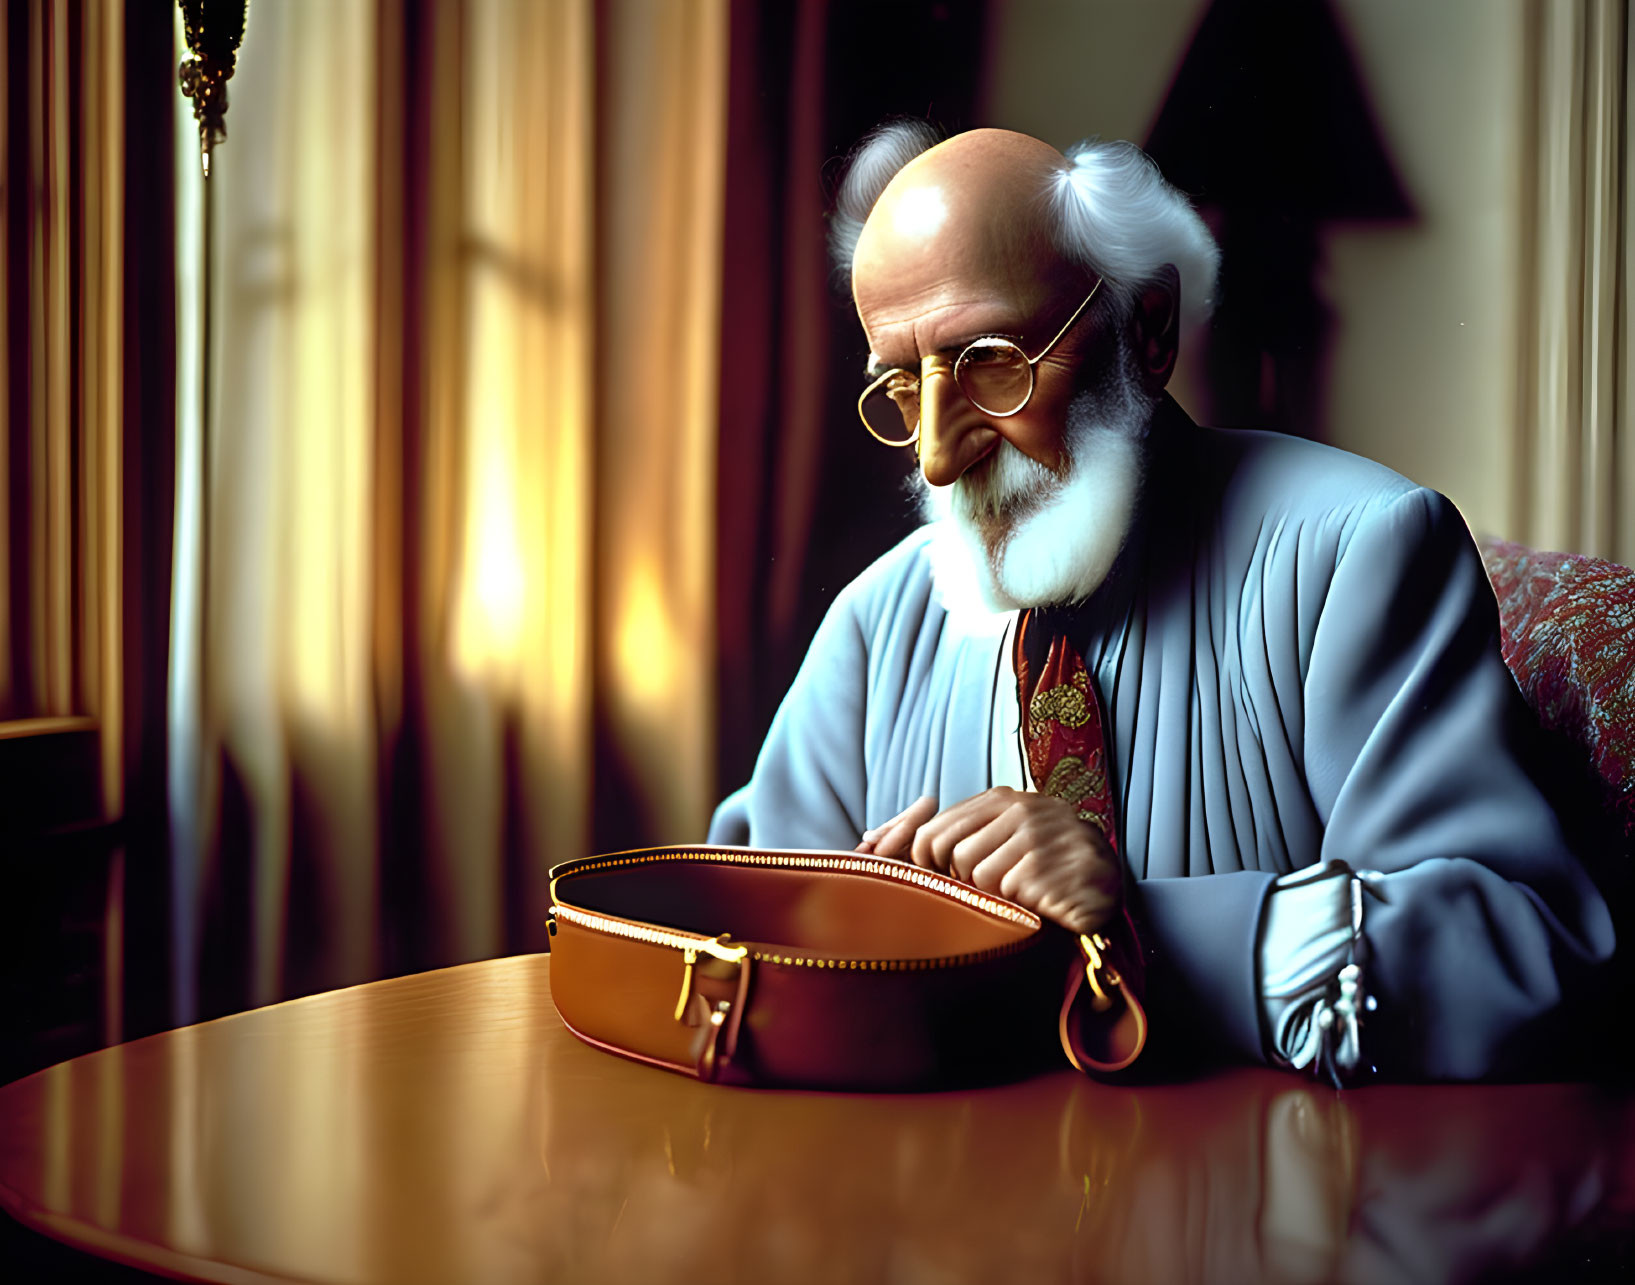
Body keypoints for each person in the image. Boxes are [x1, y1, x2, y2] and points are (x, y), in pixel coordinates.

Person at [708, 123, 1616, 1082]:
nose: (937, 451)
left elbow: (1530, 951)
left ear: (1144, 329)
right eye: (902, 384)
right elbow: (743, 926)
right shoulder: (873, 622)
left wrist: (1143, 924)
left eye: (988, 362)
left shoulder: (1358, 552)